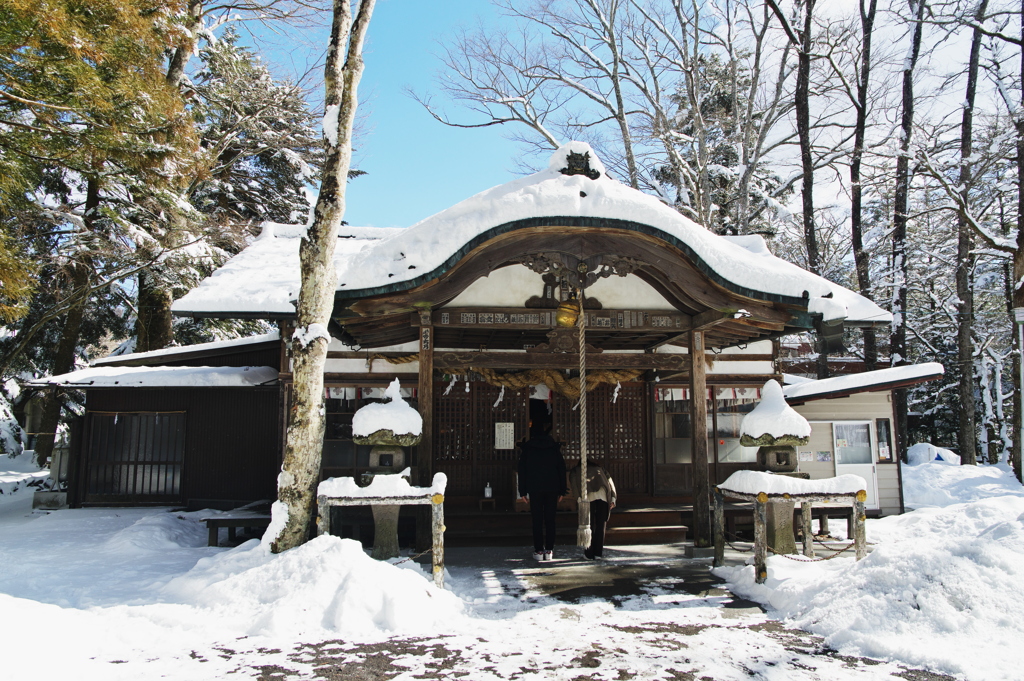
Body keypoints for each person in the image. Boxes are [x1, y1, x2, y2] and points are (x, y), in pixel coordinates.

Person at [517, 420, 567, 561]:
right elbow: (561, 470)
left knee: (537, 520)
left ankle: (539, 550)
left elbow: (523, 471)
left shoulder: (528, 449)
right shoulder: (553, 449)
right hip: (552, 487)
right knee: (550, 519)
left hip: (534, 488)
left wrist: (522, 491)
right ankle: (549, 550)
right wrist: (562, 490)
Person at [569, 458, 617, 560]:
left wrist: (578, 499)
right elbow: (610, 483)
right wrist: (613, 498)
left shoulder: (576, 470)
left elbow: (574, 484)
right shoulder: (600, 468)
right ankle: (598, 553)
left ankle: (589, 553)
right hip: (603, 496)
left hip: (587, 497)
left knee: (588, 526)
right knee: (601, 526)